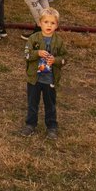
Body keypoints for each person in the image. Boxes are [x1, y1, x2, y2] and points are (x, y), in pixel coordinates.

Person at [21, 8, 66, 136]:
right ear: (40, 23)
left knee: (50, 104)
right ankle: (30, 124)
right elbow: (26, 55)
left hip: (50, 79)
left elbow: (65, 58)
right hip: (34, 79)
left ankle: (51, 126)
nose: (49, 25)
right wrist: (37, 53)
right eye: (46, 22)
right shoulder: (33, 39)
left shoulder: (59, 41)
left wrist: (55, 60)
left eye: (52, 23)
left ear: (56, 25)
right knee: (32, 103)